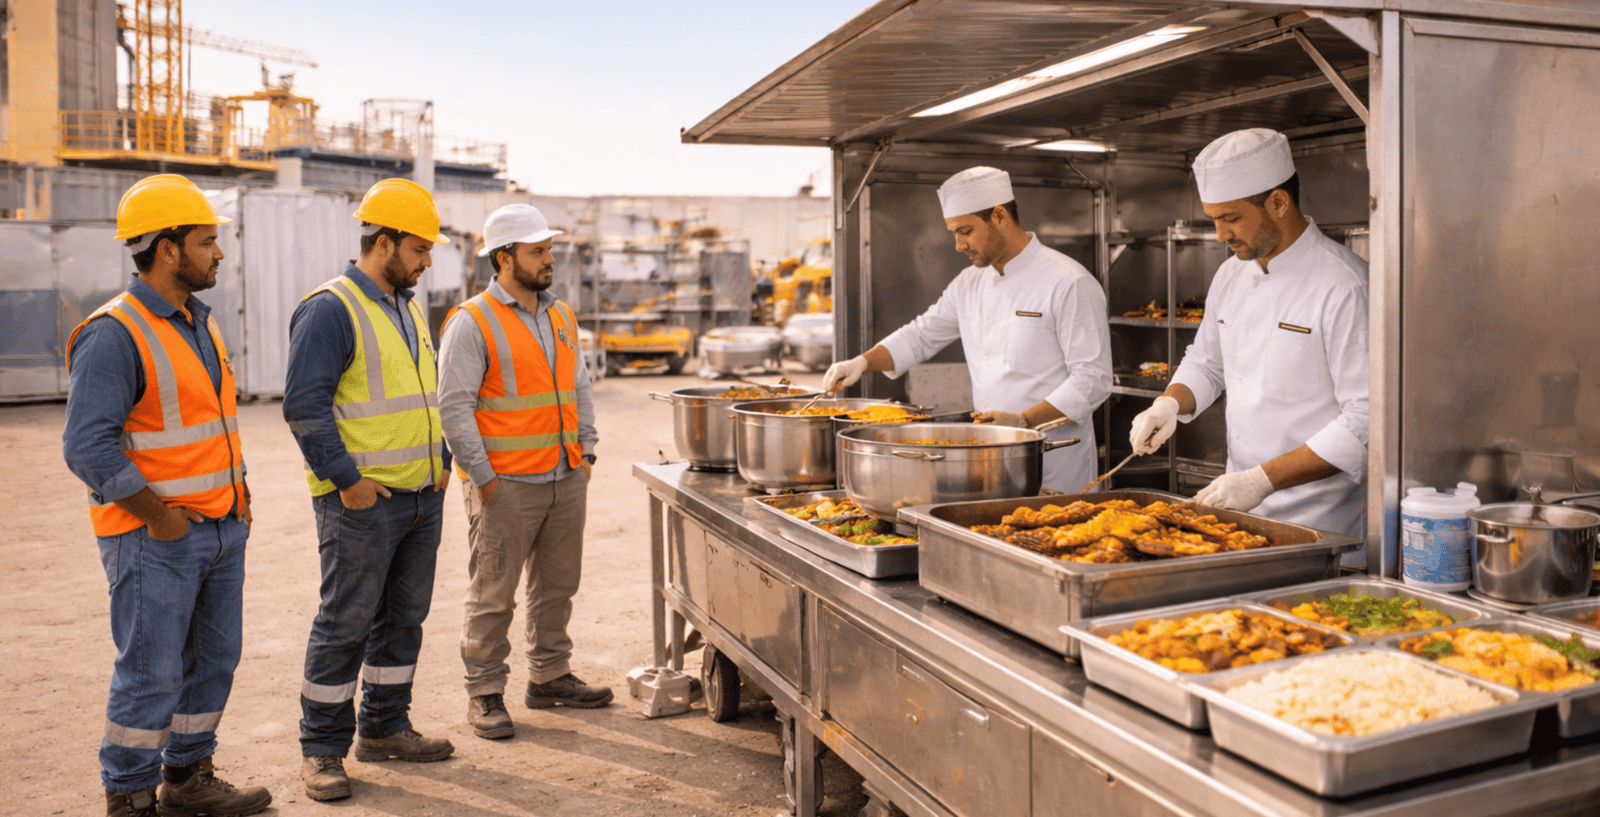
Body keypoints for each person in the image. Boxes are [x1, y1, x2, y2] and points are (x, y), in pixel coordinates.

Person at [63, 174, 271, 817]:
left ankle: (187, 777)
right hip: (154, 536)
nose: (219, 253)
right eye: (207, 242)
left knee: (213, 662)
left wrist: (238, 494)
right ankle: (129, 796)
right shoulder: (114, 332)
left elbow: (210, 426)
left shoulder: (199, 323)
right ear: (167, 249)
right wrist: (159, 519)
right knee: (151, 672)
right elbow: (87, 446)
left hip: (219, 527)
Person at [284, 178, 455, 802]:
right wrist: (348, 482)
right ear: (384, 243)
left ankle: (384, 727)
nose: (428, 260)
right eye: (420, 248)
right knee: (345, 624)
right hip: (363, 503)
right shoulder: (330, 309)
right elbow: (304, 407)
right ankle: (322, 749)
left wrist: (442, 460)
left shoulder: (407, 307)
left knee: (403, 619)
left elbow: (425, 395)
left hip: (420, 496)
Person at [1128, 128, 1369, 554]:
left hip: (1322, 524)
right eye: (1213, 219)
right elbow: (1206, 363)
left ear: (1278, 202)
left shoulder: (1345, 285)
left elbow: (1367, 419)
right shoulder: (1230, 274)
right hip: (1241, 513)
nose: (1219, 235)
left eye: (1231, 218)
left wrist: (1261, 480)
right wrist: (1168, 405)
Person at [823, 166, 1113, 491]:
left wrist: (1023, 421)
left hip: (1055, 458)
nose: (959, 245)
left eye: (966, 231)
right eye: (954, 234)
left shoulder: (1069, 281)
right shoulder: (969, 283)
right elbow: (921, 335)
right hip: (990, 456)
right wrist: (862, 362)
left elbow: (1093, 378)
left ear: (999, 216)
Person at [436, 204, 608, 741]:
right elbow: (454, 409)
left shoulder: (561, 316)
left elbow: (578, 386)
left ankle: (550, 675)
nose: (548, 259)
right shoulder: (472, 321)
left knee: (557, 587)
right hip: (505, 485)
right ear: (504, 258)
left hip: (565, 475)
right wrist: (484, 478)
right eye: (537, 251)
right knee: (493, 594)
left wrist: (586, 451)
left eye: (549, 249)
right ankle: (485, 691)